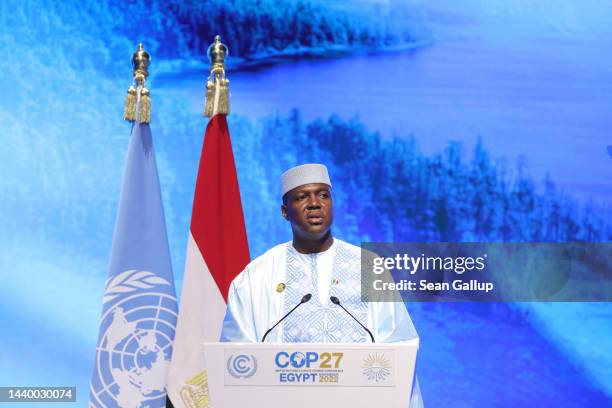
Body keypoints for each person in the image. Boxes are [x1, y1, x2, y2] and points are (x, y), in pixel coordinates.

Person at [220, 163, 423, 406]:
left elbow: (399, 344)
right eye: (302, 197)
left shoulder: (369, 267)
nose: (315, 203)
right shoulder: (256, 276)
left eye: (323, 195)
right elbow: (237, 357)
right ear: (285, 211)